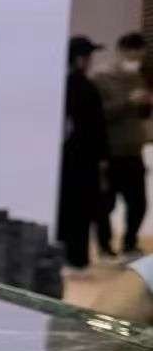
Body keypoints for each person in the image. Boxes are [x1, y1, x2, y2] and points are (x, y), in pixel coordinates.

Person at [94, 32, 152, 258]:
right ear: (121, 51)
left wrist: (145, 104)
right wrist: (128, 101)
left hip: (133, 150)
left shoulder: (137, 77)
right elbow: (98, 114)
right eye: (133, 56)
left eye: (140, 57)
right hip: (110, 150)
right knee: (105, 204)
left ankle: (130, 244)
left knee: (139, 203)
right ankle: (104, 246)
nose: (136, 61)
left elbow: (141, 114)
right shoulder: (102, 77)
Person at [57, 35, 109, 270]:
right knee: (81, 209)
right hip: (85, 159)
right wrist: (103, 158)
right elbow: (97, 127)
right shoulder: (85, 88)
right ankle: (78, 257)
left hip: (66, 158)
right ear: (80, 59)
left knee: (66, 206)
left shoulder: (61, 85)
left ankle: (65, 253)